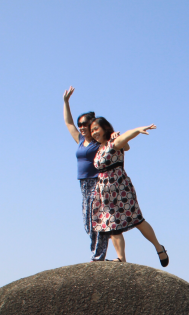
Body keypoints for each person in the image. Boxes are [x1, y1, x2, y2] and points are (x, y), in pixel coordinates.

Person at [89, 117, 169, 266]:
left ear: (105, 128)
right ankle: (121, 258)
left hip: (120, 189)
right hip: (105, 193)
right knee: (112, 225)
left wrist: (138, 130)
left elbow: (127, 136)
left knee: (137, 220)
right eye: (91, 130)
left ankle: (159, 248)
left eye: (96, 129)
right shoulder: (99, 148)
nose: (94, 132)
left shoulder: (115, 142)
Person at [63, 87, 109, 262]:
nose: (81, 127)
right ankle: (95, 252)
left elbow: (117, 143)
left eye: (85, 124)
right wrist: (66, 103)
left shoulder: (99, 142)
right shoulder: (81, 140)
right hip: (83, 185)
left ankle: (98, 256)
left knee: (97, 219)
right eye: (80, 124)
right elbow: (68, 123)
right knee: (88, 223)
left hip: (97, 182)